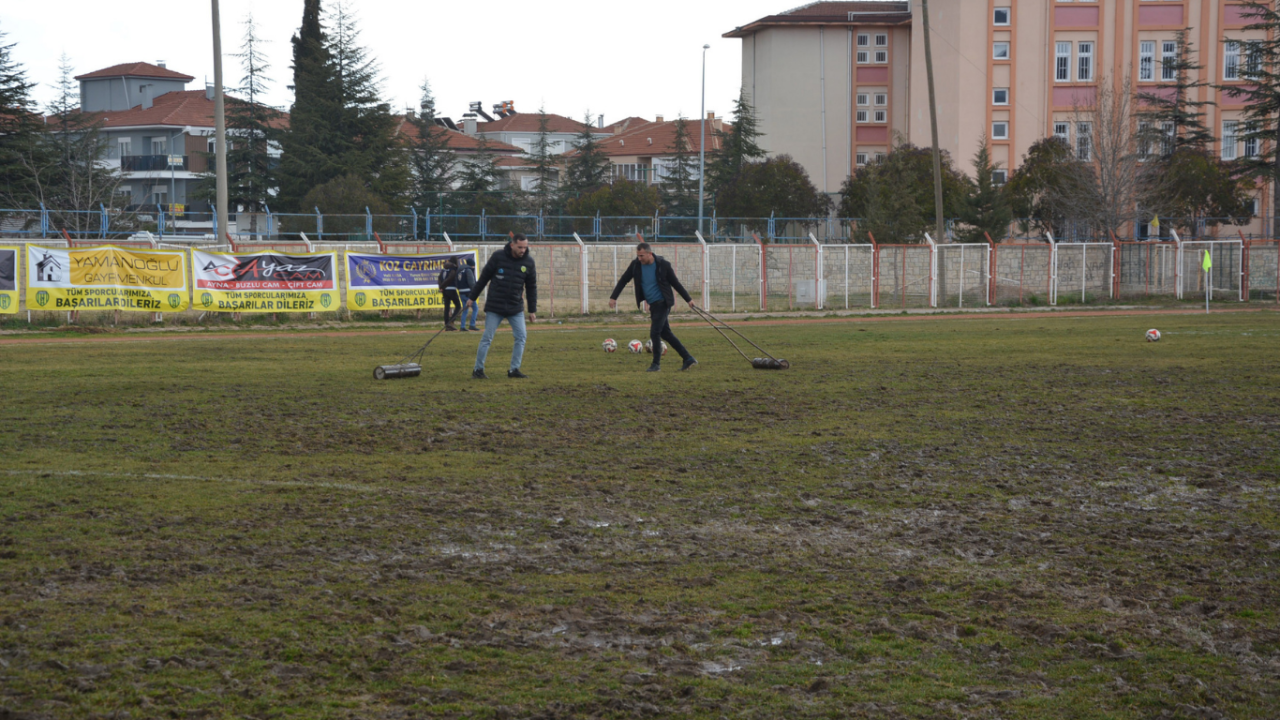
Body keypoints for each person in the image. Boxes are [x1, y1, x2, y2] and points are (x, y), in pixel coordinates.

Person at [609, 242, 697, 372]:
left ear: (650, 254)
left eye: (642, 256)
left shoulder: (663, 265)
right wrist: (613, 297)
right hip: (653, 305)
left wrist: (688, 299)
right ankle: (688, 358)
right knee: (666, 334)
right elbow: (623, 280)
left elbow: (676, 283)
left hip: (663, 303)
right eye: (638, 256)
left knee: (655, 332)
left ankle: (656, 364)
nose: (639, 258)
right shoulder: (636, 265)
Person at [469, 233, 537, 379]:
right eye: (520, 247)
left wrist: (532, 310)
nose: (523, 250)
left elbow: (531, 287)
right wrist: (472, 297)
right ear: (512, 245)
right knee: (487, 337)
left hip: (515, 307)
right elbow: (483, 278)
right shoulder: (498, 257)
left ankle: (514, 370)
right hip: (495, 306)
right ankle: (478, 370)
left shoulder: (529, 263)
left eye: (525, 247)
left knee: (521, 337)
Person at [456, 256, 479, 331]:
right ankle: (472, 324)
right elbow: (471, 283)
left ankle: (462, 326)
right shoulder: (468, 270)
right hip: (468, 293)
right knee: (475, 308)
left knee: (465, 309)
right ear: (471, 265)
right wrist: (474, 292)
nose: (473, 267)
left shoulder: (459, 270)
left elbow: (456, 282)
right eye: (473, 266)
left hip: (461, 292)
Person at [439, 259, 462, 331]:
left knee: (447, 307)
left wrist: (441, 287)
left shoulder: (443, 270)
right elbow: (450, 278)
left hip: (444, 290)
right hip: (451, 289)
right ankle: (451, 321)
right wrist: (442, 286)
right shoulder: (453, 269)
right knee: (458, 306)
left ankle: (447, 324)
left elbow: (439, 278)